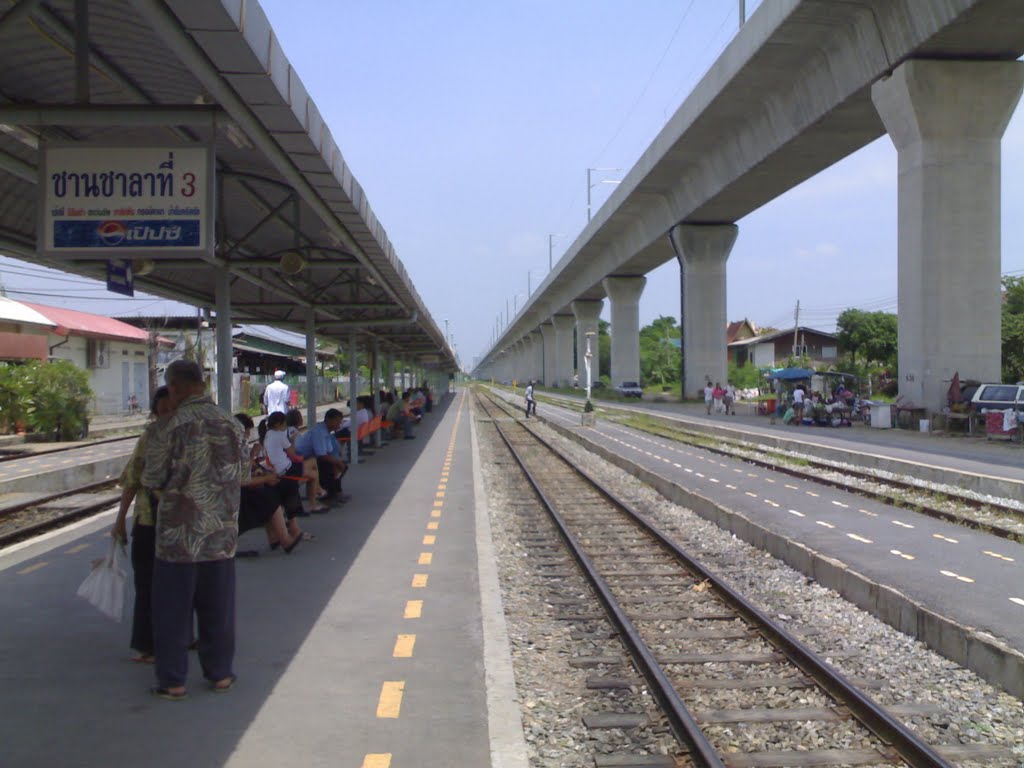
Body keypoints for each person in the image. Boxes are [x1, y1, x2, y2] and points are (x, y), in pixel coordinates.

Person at [142, 360, 245, 700]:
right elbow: (242, 475)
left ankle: (173, 681)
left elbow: (153, 479)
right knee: (219, 608)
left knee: (172, 612)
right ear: (202, 384)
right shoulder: (232, 424)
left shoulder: (166, 428)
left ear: (173, 387)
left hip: (177, 537)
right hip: (221, 535)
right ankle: (220, 674)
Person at [111, 386, 174, 665]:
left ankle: (179, 636)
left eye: (172, 410)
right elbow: (132, 480)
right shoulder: (148, 438)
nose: (167, 416)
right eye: (162, 411)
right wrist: (120, 522)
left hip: (179, 526)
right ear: (154, 412)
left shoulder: (189, 438)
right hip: (148, 523)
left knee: (180, 584)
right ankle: (145, 645)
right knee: (147, 584)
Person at [234, 413, 304, 552]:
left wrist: (259, 471)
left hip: (238, 488)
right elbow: (241, 480)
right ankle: (285, 540)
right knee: (270, 497)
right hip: (234, 492)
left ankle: (274, 537)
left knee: (269, 490)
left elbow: (245, 469)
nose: (248, 436)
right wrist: (265, 477)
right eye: (247, 432)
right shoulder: (233, 447)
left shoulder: (236, 445)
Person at [294, 409, 349, 502]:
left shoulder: (326, 431)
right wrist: (337, 462)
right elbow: (321, 455)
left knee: (339, 466)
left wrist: (338, 462)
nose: (339, 425)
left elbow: (329, 451)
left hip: (311, 458)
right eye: (337, 421)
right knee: (327, 466)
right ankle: (327, 496)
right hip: (301, 459)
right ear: (329, 420)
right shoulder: (319, 432)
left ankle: (335, 492)